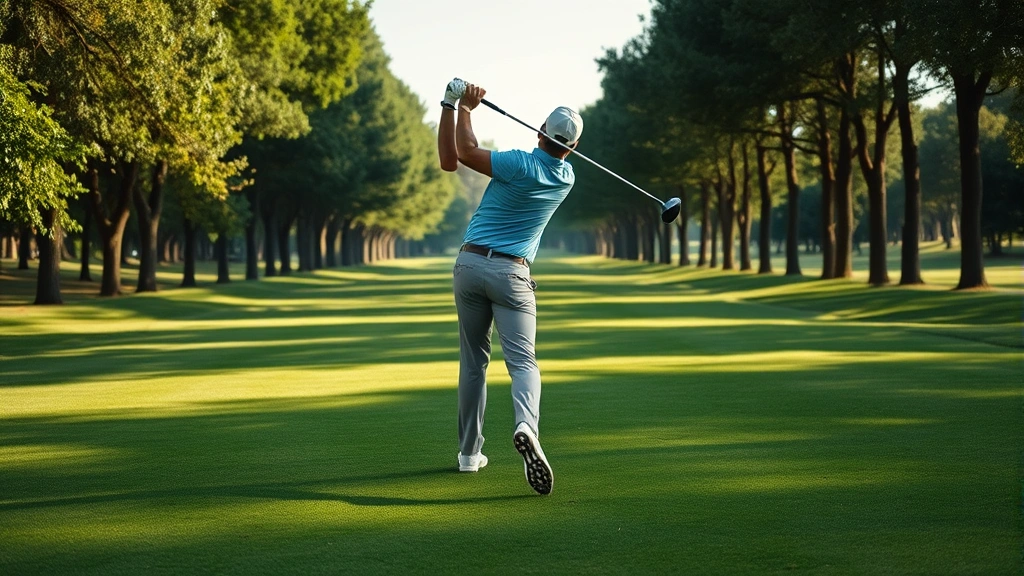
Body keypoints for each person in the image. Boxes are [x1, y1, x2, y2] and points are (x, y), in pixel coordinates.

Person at [436, 78, 583, 495]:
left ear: (539, 132)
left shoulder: (519, 162)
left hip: (469, 265)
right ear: (570, 148)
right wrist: (458, 109)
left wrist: (464, 108)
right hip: (513, 275)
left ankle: (468, 456)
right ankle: (526, 426)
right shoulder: (566, 177)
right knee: (523, 363)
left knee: (473, 363)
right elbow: (458, 157)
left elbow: (462, 154)